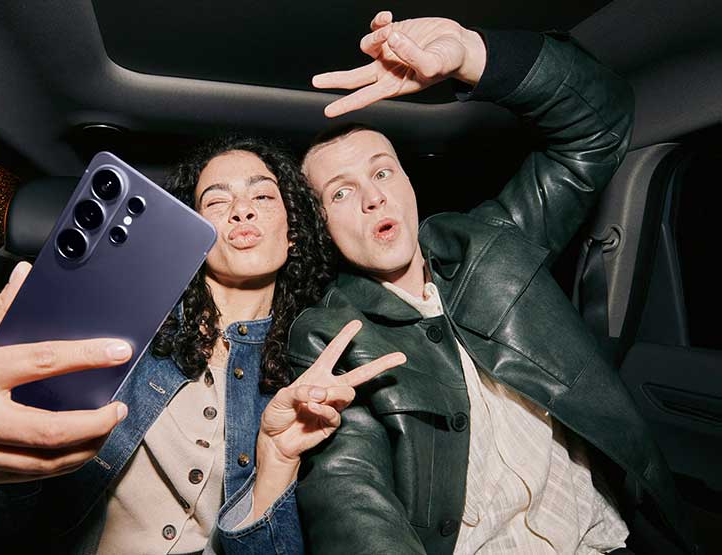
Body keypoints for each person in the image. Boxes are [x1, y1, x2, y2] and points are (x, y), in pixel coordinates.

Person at [0, 136, 405, 554]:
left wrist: (276, 465)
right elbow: (1, 496)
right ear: (192, 236)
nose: (242, 209)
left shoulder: (313, 369)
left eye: (263, 195)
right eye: (215, 202)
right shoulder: (107, 342)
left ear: (293, 229)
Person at [285, 11, 697, 555]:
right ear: (324, 227)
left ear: (408, 184)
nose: (372, 197)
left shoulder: (492, 242)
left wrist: (475, 55)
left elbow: (600, 127)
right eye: (341, 192)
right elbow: (352, 501)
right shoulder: (328, 335)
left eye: (383, 172)